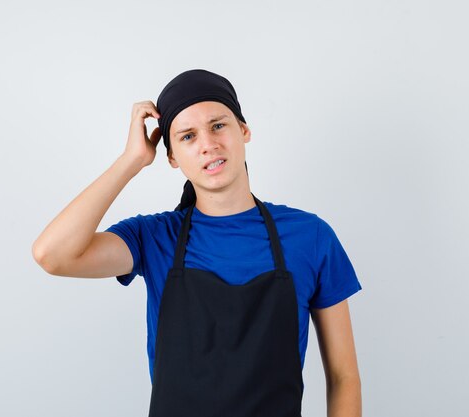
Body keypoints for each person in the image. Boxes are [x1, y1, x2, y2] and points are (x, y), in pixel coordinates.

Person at [32, 69, 363, 417]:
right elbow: (52, 255)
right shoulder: (154, 238)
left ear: (244, 130)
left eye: (218, 125)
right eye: (188, 136)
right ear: (172, 157)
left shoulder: (310, 237)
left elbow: (344, 378)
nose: (208, 144)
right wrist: (131, 161)